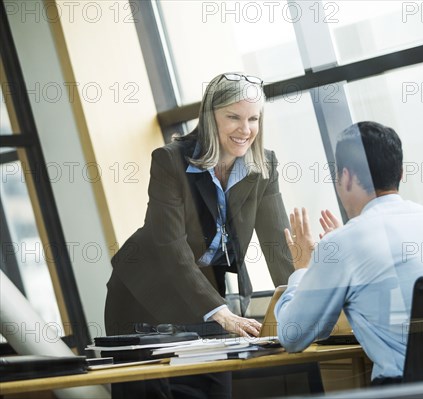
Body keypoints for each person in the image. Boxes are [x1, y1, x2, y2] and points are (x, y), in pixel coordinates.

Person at [275, 121, 423, 385]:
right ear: (400, 172)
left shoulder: (346, 243)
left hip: (413, 390)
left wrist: (304, 269)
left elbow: (293, 336)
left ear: (346, 176)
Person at [105, 72, 294, 398]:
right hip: (145, 296)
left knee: (214, 389)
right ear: (209, 117)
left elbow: (278, 244)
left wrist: (302, 302)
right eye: (233, 117)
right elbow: (170, 245)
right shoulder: (170, 161)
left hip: (205, 291)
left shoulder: (263, 165)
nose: (245, 129)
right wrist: (218, 311)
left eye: (253, 118)